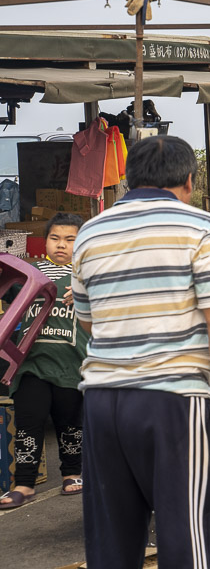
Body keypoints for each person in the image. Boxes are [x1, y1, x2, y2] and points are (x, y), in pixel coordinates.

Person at [72, 135, 210, 567]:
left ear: (129, 180)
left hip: (100, 403)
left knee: (111, 544)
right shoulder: (202, 227)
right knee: (190, 542)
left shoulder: (89, 231)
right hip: (171, 402)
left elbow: (88, 320)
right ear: (188, 180)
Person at [0, 213, 87, 510]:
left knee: (70, 424)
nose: (61, 245)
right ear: (45, 241)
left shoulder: (88, 275)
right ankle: (23, 484)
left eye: (70, 239)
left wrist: (86, 292)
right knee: (28, 423)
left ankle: (72, 473)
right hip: (32, 365)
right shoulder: (31, 272)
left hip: (72, 365)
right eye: (54, 238)